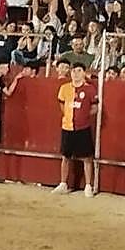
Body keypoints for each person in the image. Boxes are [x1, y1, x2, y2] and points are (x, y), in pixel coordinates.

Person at [53, 64, 98, 196]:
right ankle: (63, 183)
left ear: (84, 73)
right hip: (67, 126)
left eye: (79, 71)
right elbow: (62, 105)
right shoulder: (64, 88)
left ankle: (88, 186)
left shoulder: (90, 89)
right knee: (65, 156)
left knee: (87, 157)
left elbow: (95, 108)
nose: (76, 73)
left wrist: (83, 117)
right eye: (73, 71)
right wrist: (70, 116)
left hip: (83, 127)